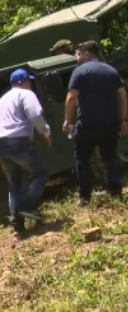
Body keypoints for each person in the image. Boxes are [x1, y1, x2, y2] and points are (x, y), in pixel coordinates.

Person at [63, 40, 128, 205]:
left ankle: (84, 197)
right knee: (110, 157)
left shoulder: (80, 71)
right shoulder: (111, 71)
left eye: (78, 54)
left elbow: (71, 98)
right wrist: (123, 120)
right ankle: (116, 192)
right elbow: (122, 96)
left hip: (87, 124)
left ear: (86, 53)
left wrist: (67, 121)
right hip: (110, 123)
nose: (77, 58)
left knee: (82, 159)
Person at [0, 69, 52, 235]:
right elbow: (35, 115)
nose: (31, 84)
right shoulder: (26, 94)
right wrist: (46, 133)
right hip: (18, 142)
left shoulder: (2, 99)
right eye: (30, 81)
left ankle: (17, 225)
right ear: (25, 81)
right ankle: (26, 207)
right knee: (41, 174)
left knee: (14, 185)